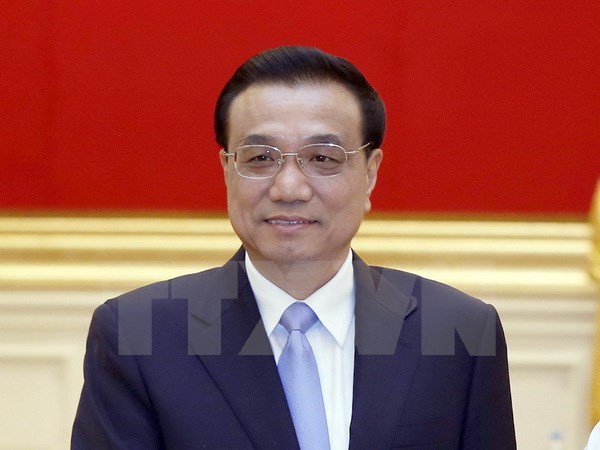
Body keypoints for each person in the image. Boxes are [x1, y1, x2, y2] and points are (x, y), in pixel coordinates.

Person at [72, 46, 516, 449]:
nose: (288, 188)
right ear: (226, 169)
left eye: (322, 159)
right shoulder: (138, 336)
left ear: (370, 173)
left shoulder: (459, 331)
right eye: (260, 158)